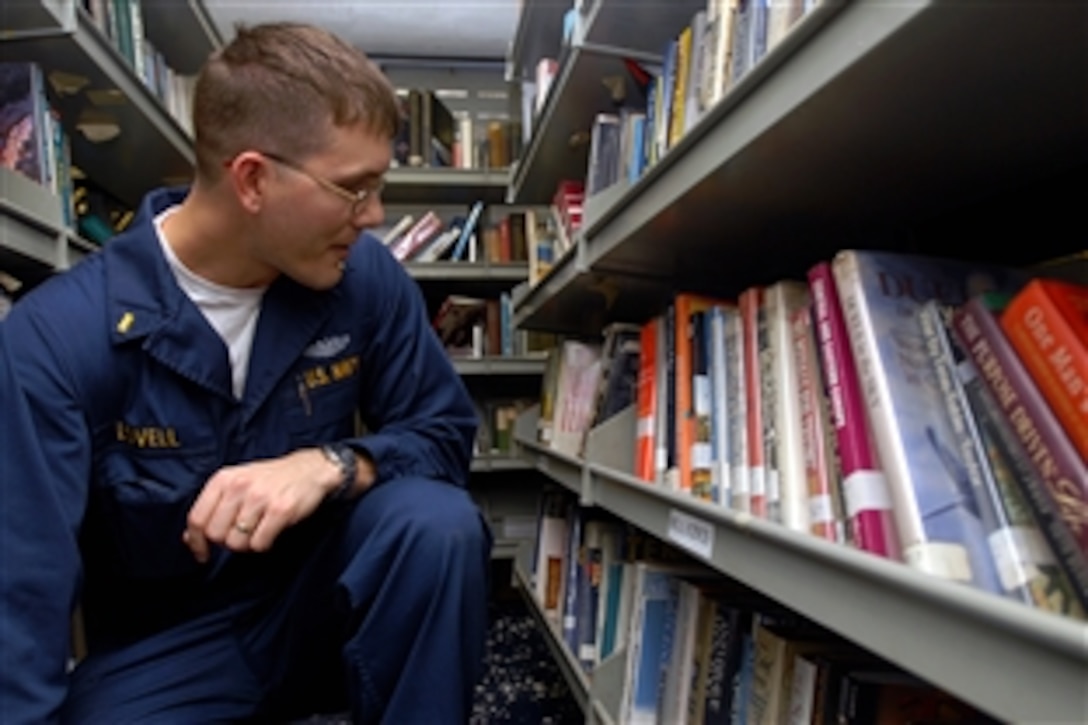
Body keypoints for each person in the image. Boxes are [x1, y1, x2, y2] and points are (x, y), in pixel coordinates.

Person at [0, 22, 491, 723]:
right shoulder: (58, 339)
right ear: (253, 179)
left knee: (435, 525)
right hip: (171, 649)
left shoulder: (364, 281)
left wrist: (330, 463)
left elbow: (443, 436)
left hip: (324, 605)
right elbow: (18, 596)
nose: (376, 216)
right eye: (355, 189)